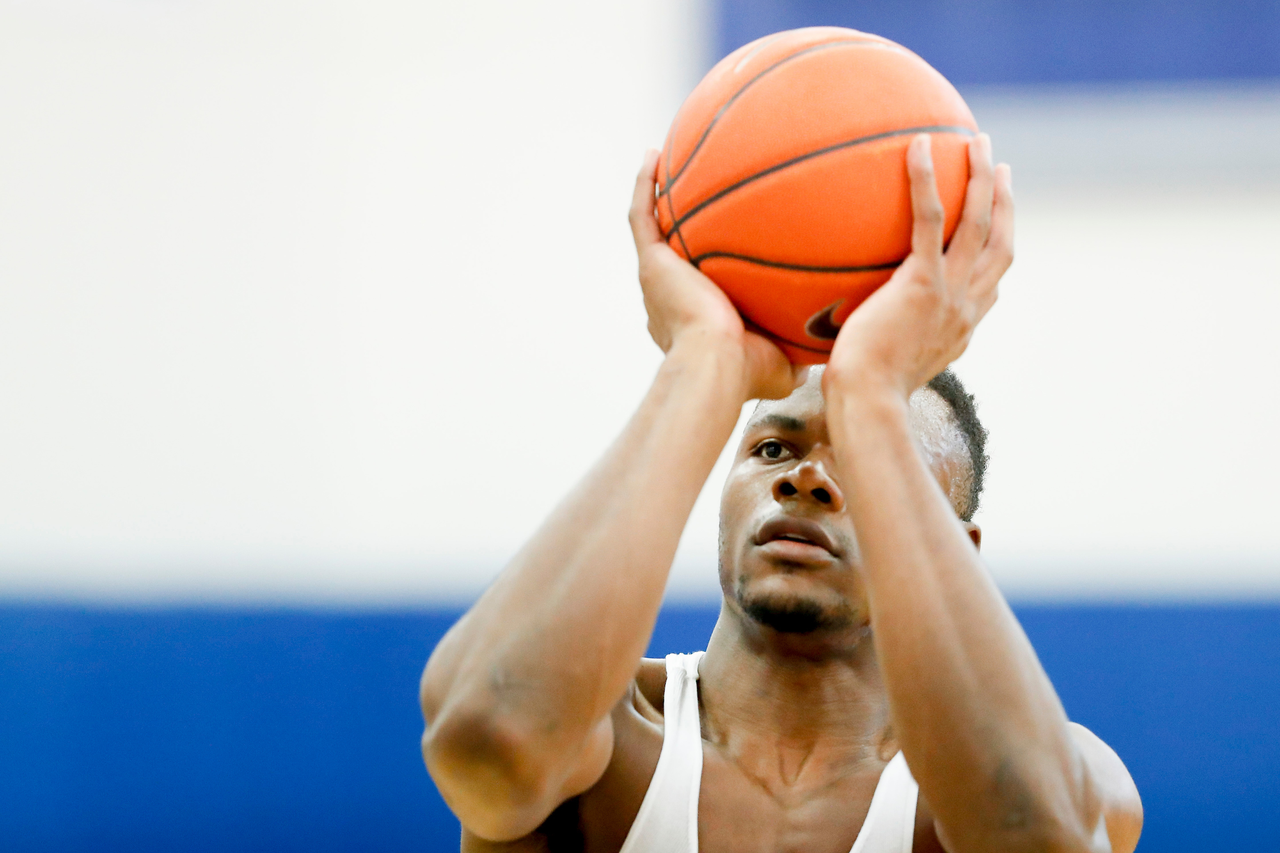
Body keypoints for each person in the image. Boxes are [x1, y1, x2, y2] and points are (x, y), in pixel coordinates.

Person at [419, 133, 1143, 853]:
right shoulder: (602, 741)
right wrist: (702, 363)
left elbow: (1043, 835)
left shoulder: (1049, 774)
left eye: (862, 462)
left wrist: (873, 391)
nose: (806, 479)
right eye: (772, 448)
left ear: (957, 548)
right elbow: (485, 744)